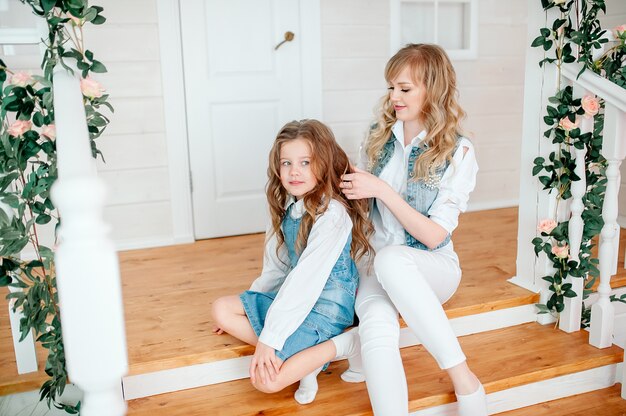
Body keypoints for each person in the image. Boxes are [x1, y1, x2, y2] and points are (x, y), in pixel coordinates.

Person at [338, 44, 486, 415]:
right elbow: (360, 207)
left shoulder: (459, 151)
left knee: (391, 260)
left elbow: (436, 236)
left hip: (430, 266)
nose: (394, 98)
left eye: (405, 89)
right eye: (391, 88)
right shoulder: (377, 136)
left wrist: (382, 190)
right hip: (375, 263)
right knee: (375, 324)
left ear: (432, 90)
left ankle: (463, 377)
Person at [211, 119, 374, 405]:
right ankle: (304, 361)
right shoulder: (287, 204)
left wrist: (268, 340)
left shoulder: (332, 215)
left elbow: (305, 280)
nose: (294, 172)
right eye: (286, 163)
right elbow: (277, 266)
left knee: (267, 381)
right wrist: (253, 301)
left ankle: (341, 345)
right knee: (221, 310)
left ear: (323, 163)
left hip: (325, 308)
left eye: (305, 162)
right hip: (297, 298)